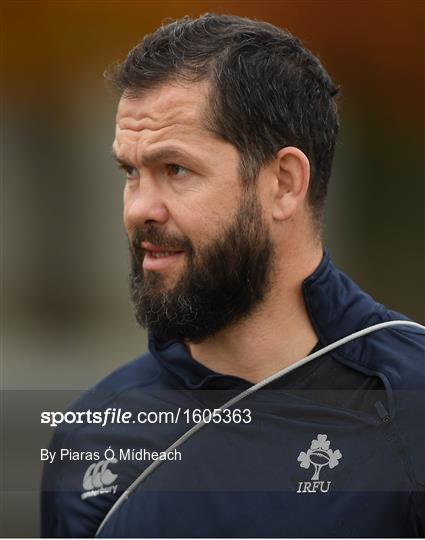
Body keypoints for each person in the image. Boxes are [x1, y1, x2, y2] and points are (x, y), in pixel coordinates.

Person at [41, 13, 425, 537]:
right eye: (131, 172)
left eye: (175, 169)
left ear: (284, 184)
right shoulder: (90, 443)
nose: (139, 209)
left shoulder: (409, 401)